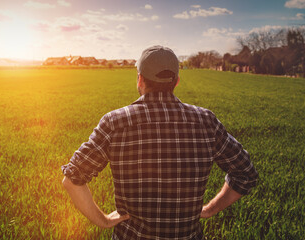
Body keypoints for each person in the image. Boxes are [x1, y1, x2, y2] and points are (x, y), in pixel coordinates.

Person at [61, 45, 258, 239]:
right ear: (176, 81)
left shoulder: (115, 122)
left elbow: (72, 179)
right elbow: (246, 173)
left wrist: (103, 221)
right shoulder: (206, 121)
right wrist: (209, 209)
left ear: (140, 80)